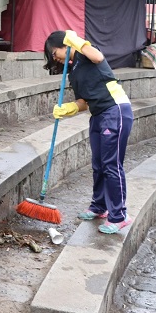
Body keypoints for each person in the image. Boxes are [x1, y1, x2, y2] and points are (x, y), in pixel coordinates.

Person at [45, 30, 133, 234]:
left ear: (65, 45)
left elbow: (98, 57)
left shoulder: (86, 53)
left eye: (54, 51)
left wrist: (76, 41)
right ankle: (99, 206)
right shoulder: (73, 71)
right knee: (98, 164)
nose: (54, 56)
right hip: (98, 114)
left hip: (115, 109)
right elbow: (83, 102)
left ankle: (119, 215)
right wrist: (69, 108)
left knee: (111, 164)